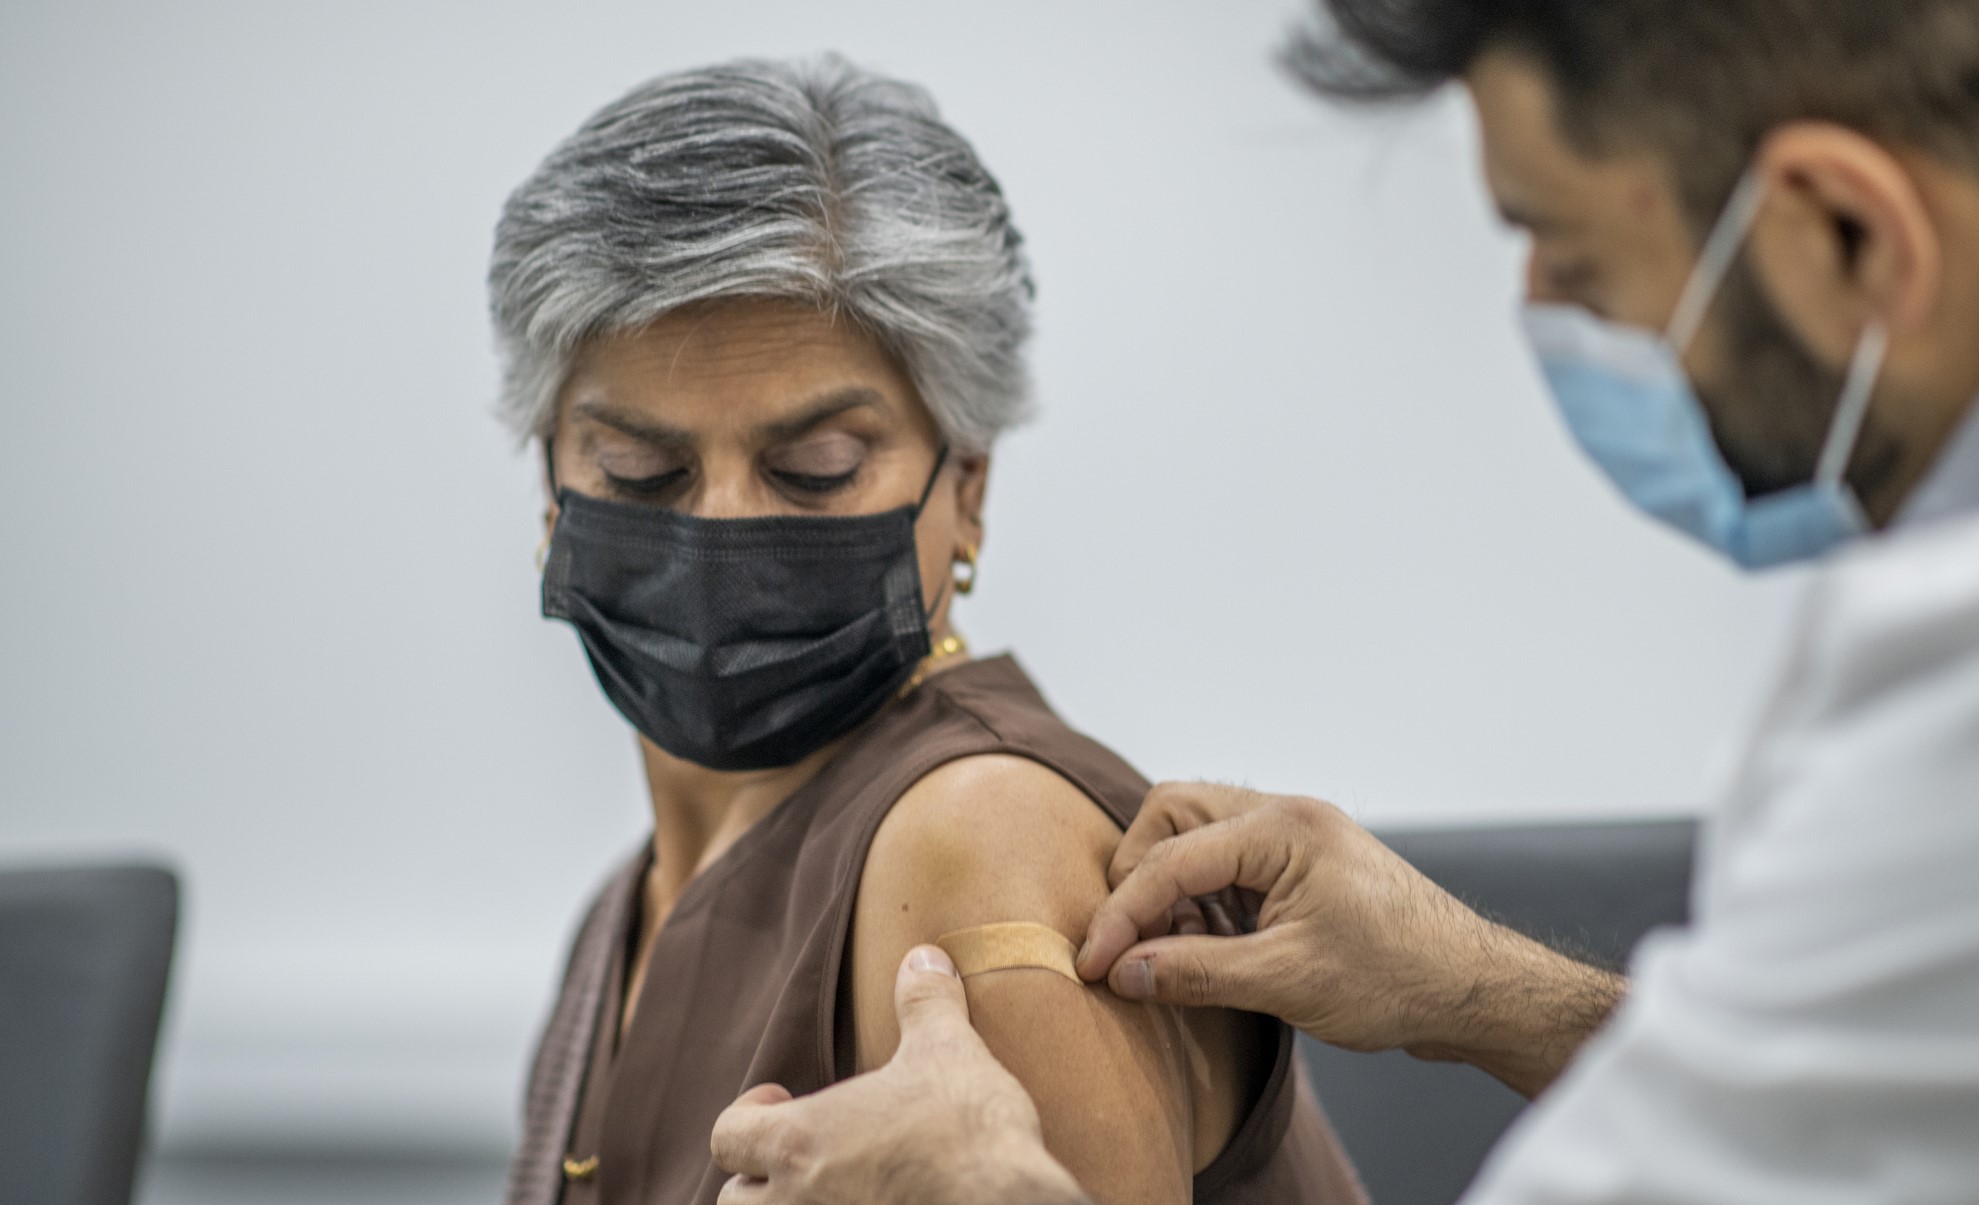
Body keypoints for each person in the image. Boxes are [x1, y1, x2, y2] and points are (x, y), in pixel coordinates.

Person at [708, 2, 1979, 1202]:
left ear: (1841, 234)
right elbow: (1899, 1091)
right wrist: (1477, 990)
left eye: (1573, 259)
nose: (1552, 320)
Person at [489, 56, 1367, 1205]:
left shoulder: (975, 838)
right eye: (640, 470)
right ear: (552, 485)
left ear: (969, 490)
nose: (723, 536)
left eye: (816, 470)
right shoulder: (623, 909)